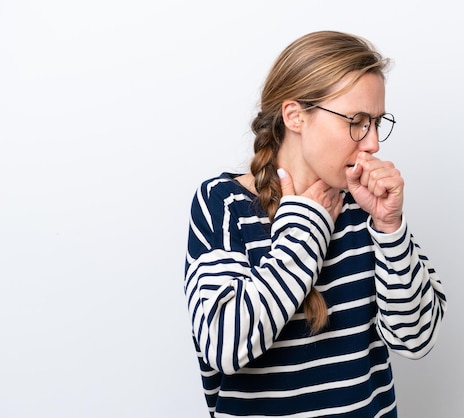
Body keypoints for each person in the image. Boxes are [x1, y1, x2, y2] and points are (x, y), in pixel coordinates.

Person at [184, 30, 447, 418]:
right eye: (357, 121)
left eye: (376, 122)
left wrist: (390, 227)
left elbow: (417, 339)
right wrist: (307, 228)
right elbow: (222, 346)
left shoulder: (363, 206)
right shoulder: (222, 204)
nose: (372, 143)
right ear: (295, 116)